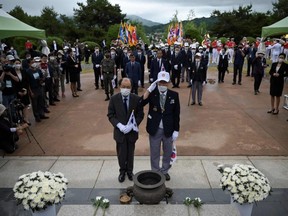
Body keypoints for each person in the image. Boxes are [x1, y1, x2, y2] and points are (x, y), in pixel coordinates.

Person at [140, 71, 180, 181]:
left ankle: (165, 170)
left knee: (167, 152)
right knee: (154, 152)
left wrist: (176, 130)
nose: (162, 85)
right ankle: (156, 172)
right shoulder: (152, 94)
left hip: (168, 129)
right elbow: (140, 103)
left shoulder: (174, 95)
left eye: (164, 83)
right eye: (160, 83)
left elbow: (176, 114)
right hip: (155, 128)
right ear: (157, 83)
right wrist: (148, 90)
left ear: (168, 83)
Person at [107, 78, 144, 182]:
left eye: (128, 87)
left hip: (132, 132)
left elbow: (140, 114)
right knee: (121, 154)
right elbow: (110, 115)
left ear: (131, 87)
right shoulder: (114, 99)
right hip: (120, 132)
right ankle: (122, 171)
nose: (125, 89)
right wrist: (119, 125)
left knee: (130, 153)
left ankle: (130, 171)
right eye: (123, 87)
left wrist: (133, 125)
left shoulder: (136, 99)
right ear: (119, 87)